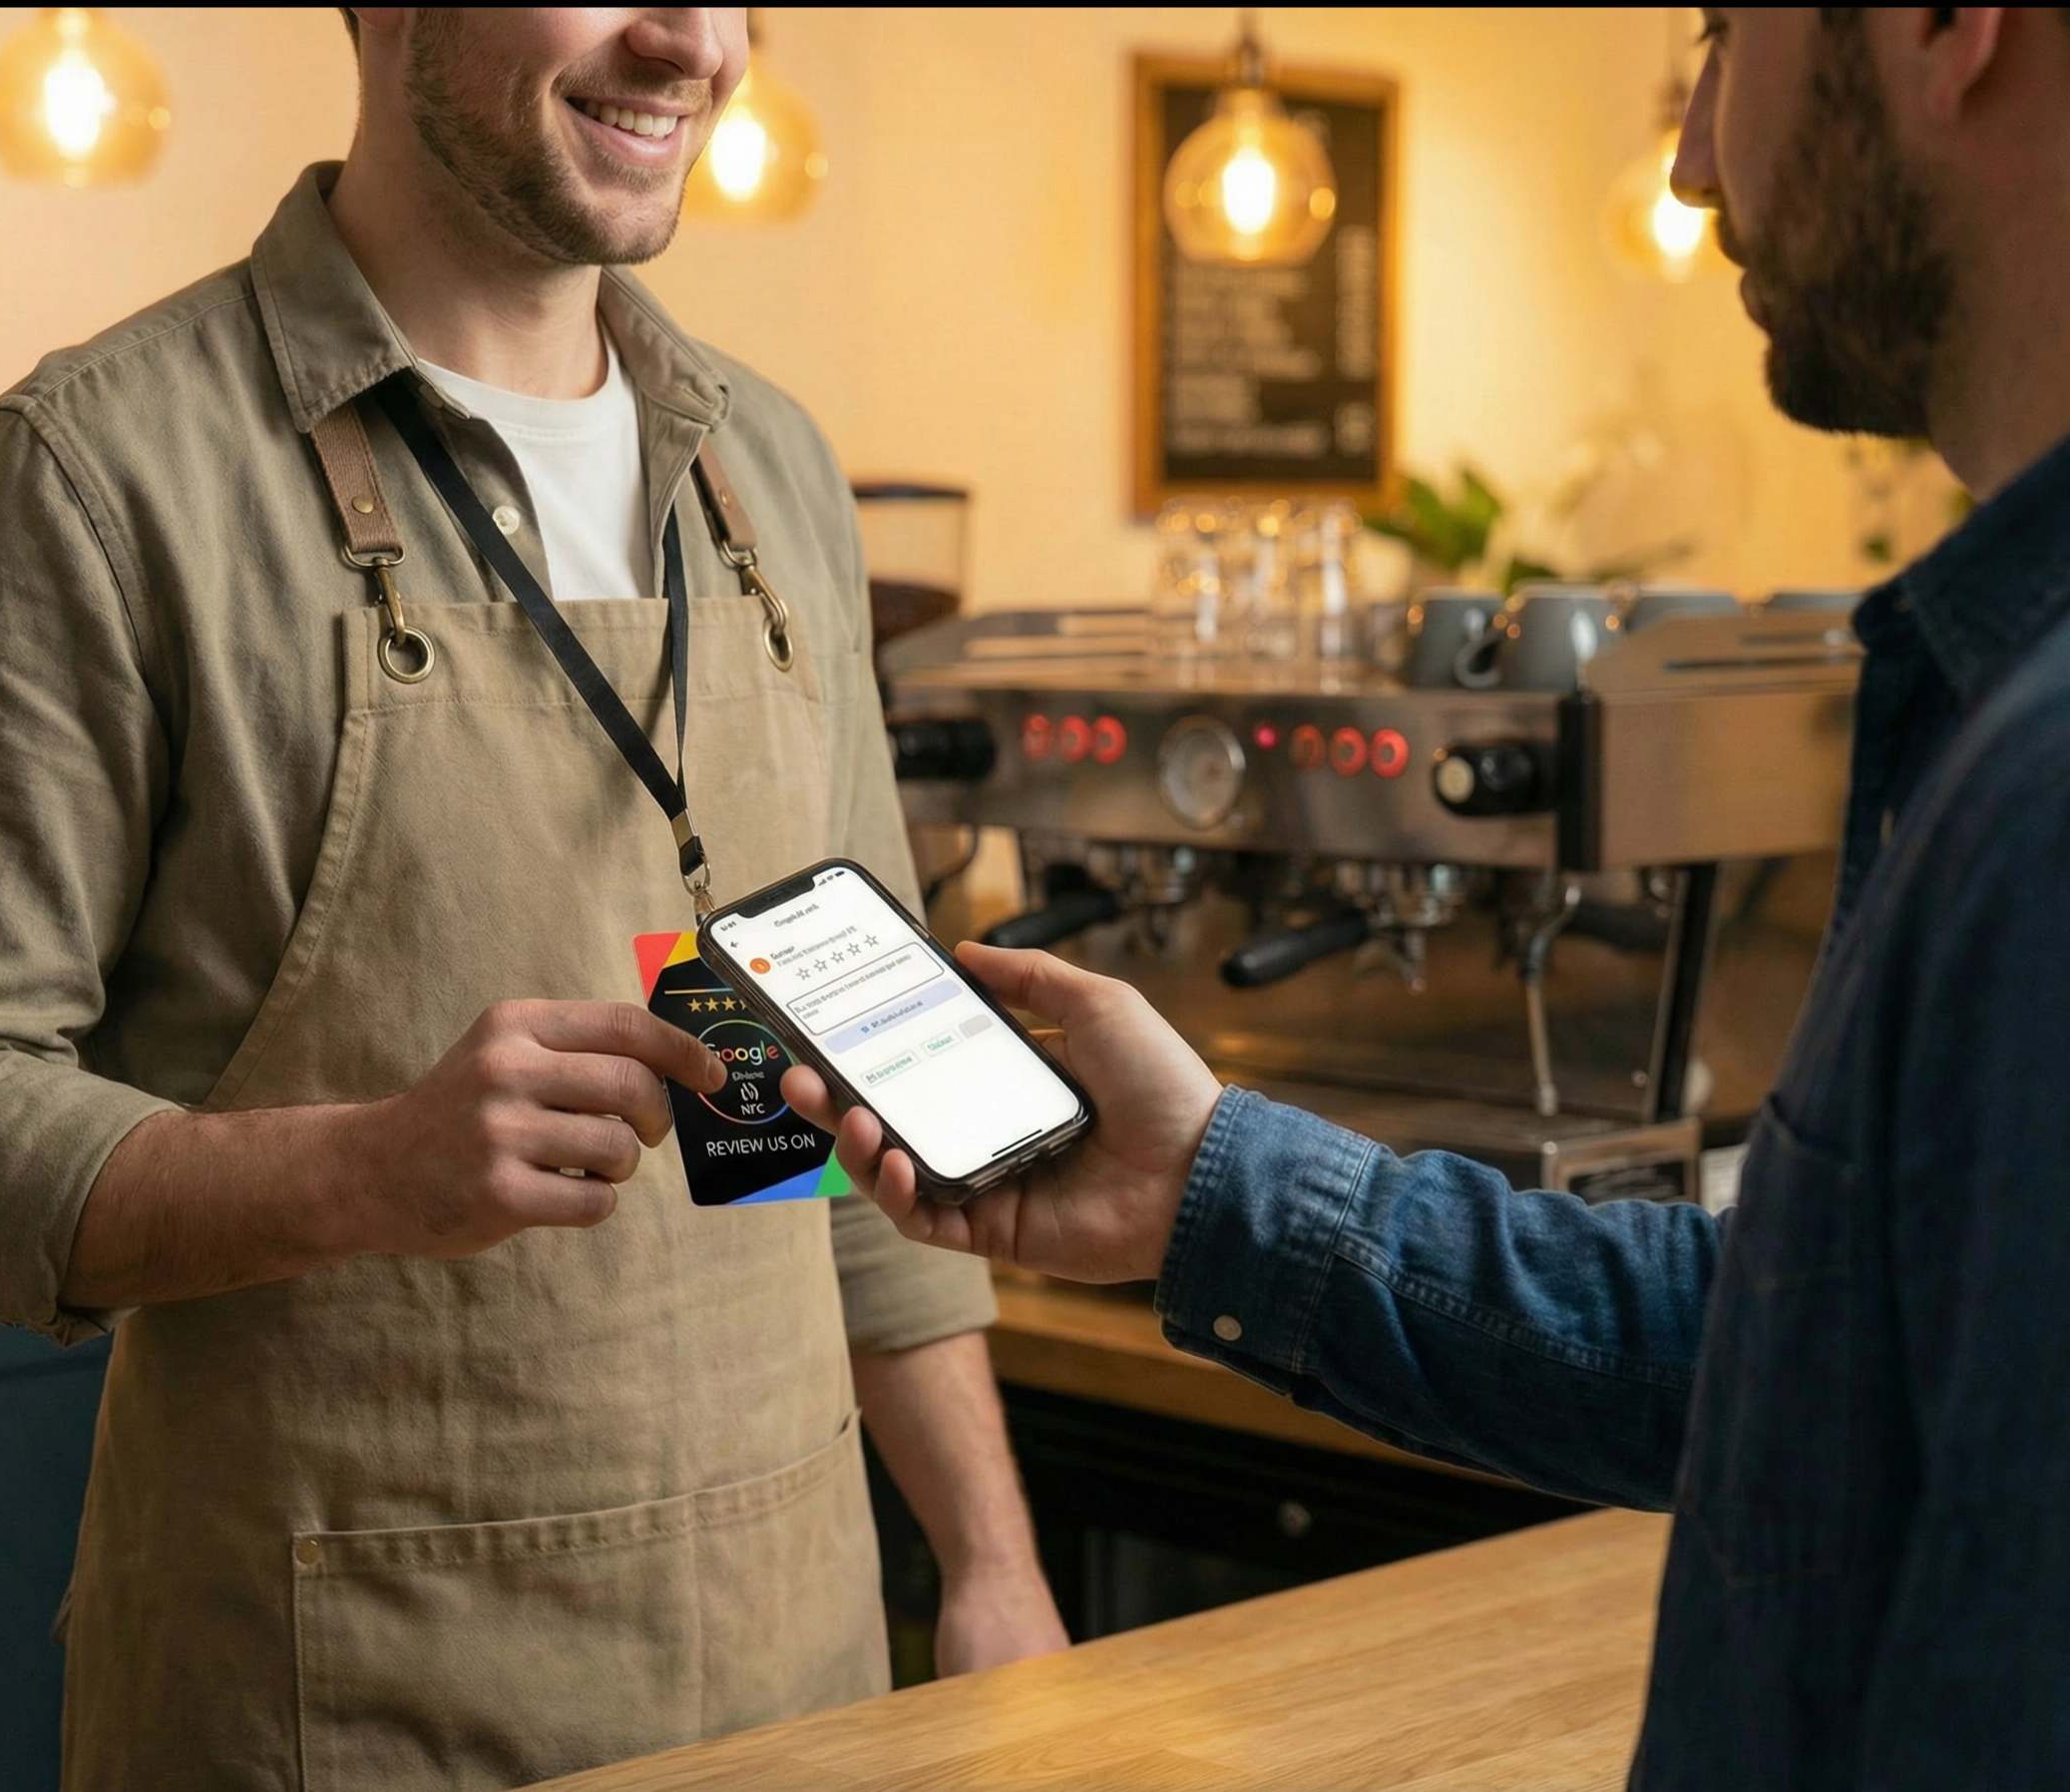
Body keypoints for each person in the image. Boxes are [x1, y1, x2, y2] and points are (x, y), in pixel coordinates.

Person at [790, 8, 2070, 1789]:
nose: (1695, 157)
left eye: (1724, 38)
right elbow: (1802, 1349)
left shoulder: (2041, 781)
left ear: (1949, 29)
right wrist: (1212, 1184)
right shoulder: (1985, 697)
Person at [0, 9, 1067, 1789]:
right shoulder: (96, 474)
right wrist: (362, 1169)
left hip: (805, 1690)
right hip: (340, 1708)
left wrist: (997, 1570)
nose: (687, 39)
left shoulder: (768, 474)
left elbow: (858, 1065)